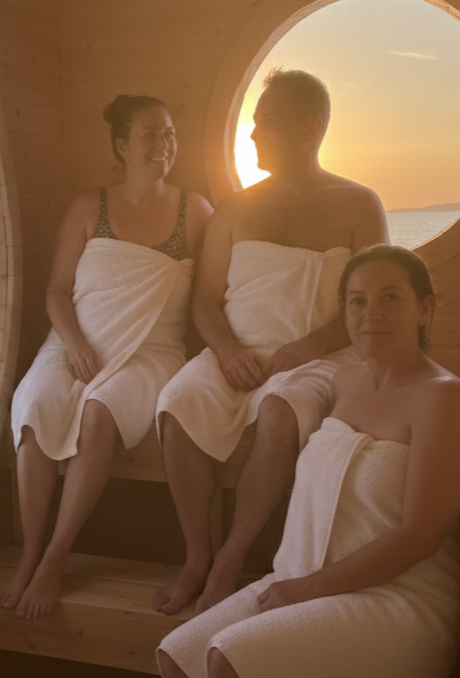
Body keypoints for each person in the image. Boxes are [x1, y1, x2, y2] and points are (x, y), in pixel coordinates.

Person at [157, 245, 460, 678]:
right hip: (306, 574)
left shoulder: (442, 396)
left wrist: (308, 588)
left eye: (390, 297)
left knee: (227, 660)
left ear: (424, 309)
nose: (371, 313)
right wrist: (298, 580)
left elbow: (421, 536)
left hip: (400, 597)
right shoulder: (343, 380)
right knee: (176, 657)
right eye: (357, 301)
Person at [154, 69, 389, 616]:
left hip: (320, 357)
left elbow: (371, 302)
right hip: (235, 351)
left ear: (311, 129)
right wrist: (227, 350)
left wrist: (309, 347)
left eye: (271, 123)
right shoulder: (235, 208)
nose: (255, 134)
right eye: (255, 122)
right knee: (176, 402)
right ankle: (196, 558)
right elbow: (205, 300)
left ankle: (230, 561)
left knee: (281, 411)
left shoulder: (359, 205)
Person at [0, 94, 212, 620]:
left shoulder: (196, 212)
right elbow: (56, 292)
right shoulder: (87, 207)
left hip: (150, 351)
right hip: (75, 339)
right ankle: (29, 554)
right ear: (122, 146)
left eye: (169, 134)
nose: (163, 145)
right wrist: (73, 344)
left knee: (99, 412)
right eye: (149, 135)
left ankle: (56, 555)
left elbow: (212, 293)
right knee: (34, 407)